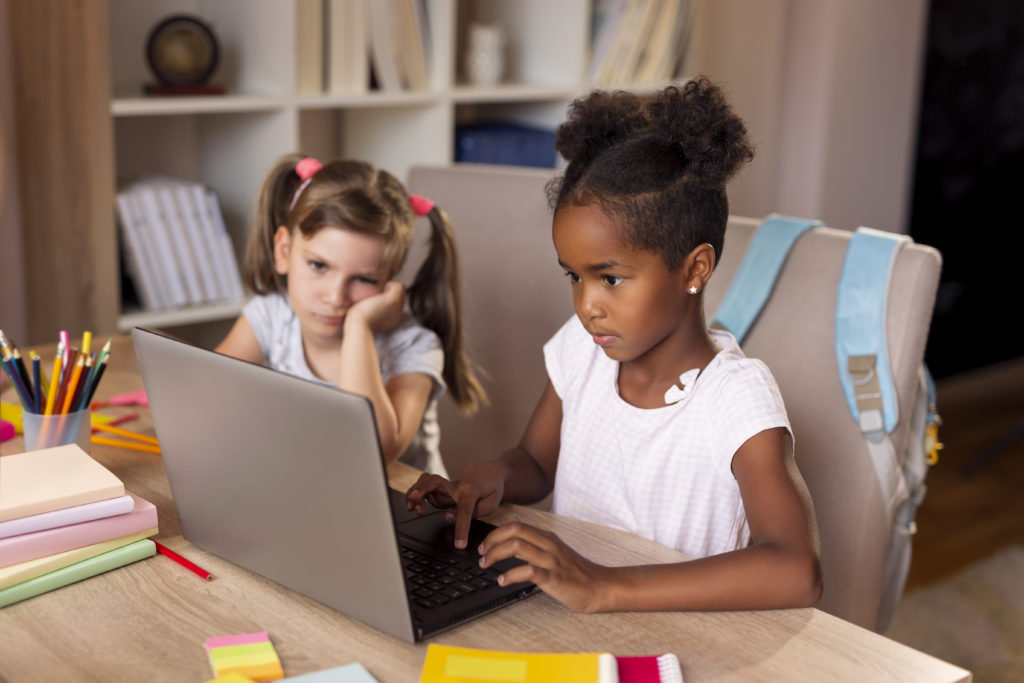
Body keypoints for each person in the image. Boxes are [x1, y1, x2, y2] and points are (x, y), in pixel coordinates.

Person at [406, 78, 823, 613]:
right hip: (569, 619)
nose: (587, 305)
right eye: (574, 277)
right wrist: (495, 477)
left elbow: (796, 568)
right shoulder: (584, 350)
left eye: (611, 278)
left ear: (694, 268)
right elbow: (536, 460)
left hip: (680, 641)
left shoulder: (734, 397)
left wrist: (603, 585)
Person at [216, 154, 484, 475]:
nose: (335, 297)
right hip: (310, 488)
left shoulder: (414, 346)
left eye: (364, 279)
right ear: (284, 251)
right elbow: (209, 397)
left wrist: (360, 327)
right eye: (318, 265)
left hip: (404, 513)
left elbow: (374, 449)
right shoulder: (270, 318)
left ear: (389, 281)